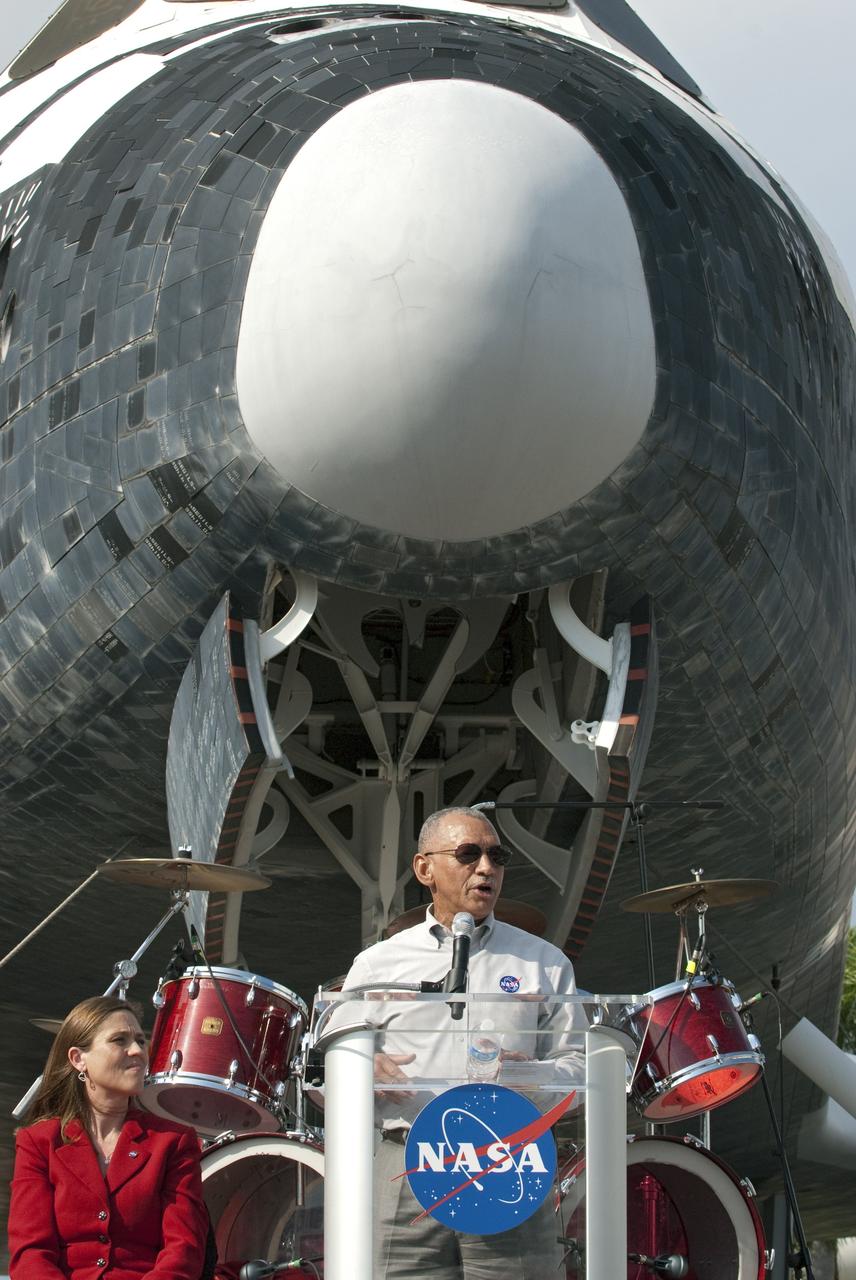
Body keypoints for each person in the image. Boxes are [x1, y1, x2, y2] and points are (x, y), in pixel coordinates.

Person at [340, 805, 585, 1280]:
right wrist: (361, 1068)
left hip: (509, 1161)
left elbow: (580, 1065)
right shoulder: (378, 964)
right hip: (407, 1162)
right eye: (469, 854)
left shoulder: (544, 962)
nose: (487, 868)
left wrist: (532, 1078)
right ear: (424, 868)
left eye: (497, 856)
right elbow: (327, 1066)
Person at [8, 995, 209, 1280]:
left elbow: (183, 1252)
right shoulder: (39, 1142)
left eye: (140, 1040)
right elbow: (30, 1254)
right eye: (120, 1040)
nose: (138, 1051)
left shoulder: (174, 1142)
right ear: (79, 1059)